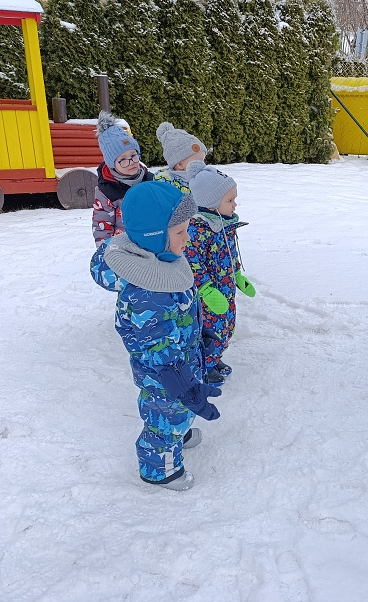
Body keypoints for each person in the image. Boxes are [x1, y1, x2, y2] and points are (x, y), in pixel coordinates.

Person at [90, 180, 221, 491]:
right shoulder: (147, 293)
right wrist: (183, 386)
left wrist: (197, 332)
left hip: (181, 358)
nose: (187, 239)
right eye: (180, 233)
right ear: (154, 236)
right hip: (164, 373)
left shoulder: (164, 259)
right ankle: (159, 468)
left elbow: (180, 308)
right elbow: (156, 347)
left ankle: (180, 428)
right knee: (163, 418)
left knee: (177, 411)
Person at [183, 161, 255, 386]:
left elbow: (230, 254)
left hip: (225, 289)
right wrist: (205, 289)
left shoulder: (225, 224)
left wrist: (238, 276)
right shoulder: (197, 229)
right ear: (212, 203)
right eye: (229, 200)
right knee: (208, 330)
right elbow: (191, 262)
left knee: (225, 326)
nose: (235, 204)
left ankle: (214, 359)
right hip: (207, 296)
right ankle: (202, 366)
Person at [91, 111, 156, 247]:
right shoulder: (106, 191)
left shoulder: (149, 180)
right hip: (123, 248)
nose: (131, 162)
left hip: (151, 242)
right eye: (122, 160)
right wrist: (106, 251)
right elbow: (102, 225)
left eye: (133, 155)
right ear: (111, 165)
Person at [153, 122, 208, 192]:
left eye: (203, 160)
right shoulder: (166, 186)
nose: (203, 165)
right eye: (199, 161)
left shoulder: (204, 178)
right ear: (180, 165)